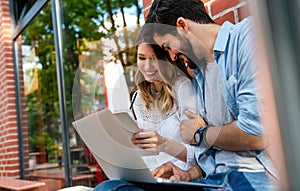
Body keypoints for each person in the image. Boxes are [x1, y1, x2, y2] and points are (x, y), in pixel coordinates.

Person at [94, 0, 278, 190]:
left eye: (167, 45)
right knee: (111, 188)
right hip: (214, 181)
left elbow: (256, 134)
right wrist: (187, 174)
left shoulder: (245, 38)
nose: (172, 57)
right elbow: (214, 155)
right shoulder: (199, 74)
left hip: (254, 177)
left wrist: (200, 133)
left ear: (182, 26)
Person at [130, 28, 197, 173]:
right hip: (148, 175)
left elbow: (196, 154)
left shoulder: (182, 88)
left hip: (179, 176)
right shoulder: (138, 98)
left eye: (154, 59)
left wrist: (163, 144)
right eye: (141, 58)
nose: (147, 67)